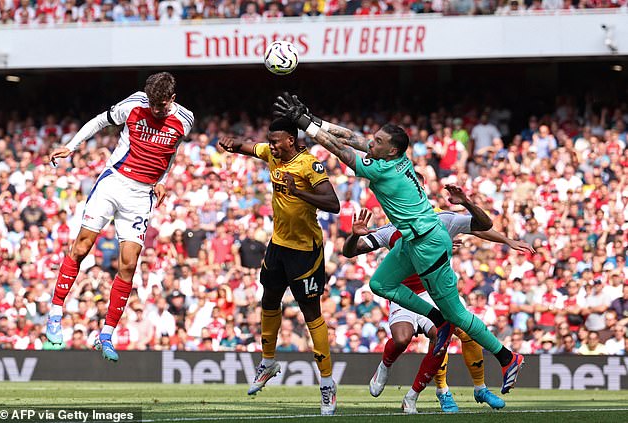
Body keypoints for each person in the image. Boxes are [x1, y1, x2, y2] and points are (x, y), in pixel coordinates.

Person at [274, 93, 525, 396]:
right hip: (412, 240)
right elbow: (352, 137)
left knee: (457, 315)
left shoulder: (381, 169)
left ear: (390, 150)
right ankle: (434, 316)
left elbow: (340, 148)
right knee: (380, 283)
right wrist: (314, 119)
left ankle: (507, 357)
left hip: (429, 243)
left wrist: (304, 124)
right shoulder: (397, 158)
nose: (372, 143)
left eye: (378, 141)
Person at [46, 72, 194, 362]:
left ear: (172, 100)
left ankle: (106, 335)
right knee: (82, 246)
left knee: (128, 265)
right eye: (152, 103)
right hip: (114, 183)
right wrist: (71, 146)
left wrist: (163, 178)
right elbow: (100, 120)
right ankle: (54, 313)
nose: (155, 110)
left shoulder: (185, 120)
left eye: (161, 105)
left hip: (141, 197)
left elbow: (171, 152)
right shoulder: (135, 104)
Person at [343, 188, 534, 413]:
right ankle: (385, 366)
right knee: (403, 339)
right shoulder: (390, 230)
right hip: (403, 294)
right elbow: (350, 252)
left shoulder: (440, 219)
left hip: (430, 292)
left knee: (447, 332)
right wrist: (355, 234)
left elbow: (479, 227)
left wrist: (505, 239)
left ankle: (433, 393)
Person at [219, 118, 340, 416]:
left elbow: (333, 203)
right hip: (278, 245)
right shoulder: (272, 154)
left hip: (306, 251)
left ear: (291, 140)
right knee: (269, 300)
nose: (271, 145)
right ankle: (268, 362)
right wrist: (235, 146)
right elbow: (251, 148)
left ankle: (327, 383)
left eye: (276, 141)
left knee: (311, 312)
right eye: (270, 140)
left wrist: (297, 192)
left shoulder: (310, 165)